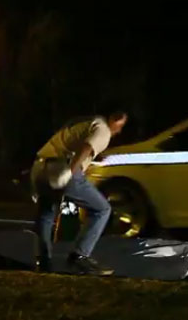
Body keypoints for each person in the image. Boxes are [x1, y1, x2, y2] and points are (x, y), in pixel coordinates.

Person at [31, 111, 128, 274]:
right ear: (115, 117)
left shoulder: (82, 121)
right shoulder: (102, 129)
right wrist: (70, 172)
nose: (119, 131)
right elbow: (86, 148)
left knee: (46, 214)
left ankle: (43, 261)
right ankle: (80, 256)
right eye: (121, 125)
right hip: (63, 167)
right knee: (102, 210)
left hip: (41, 166)